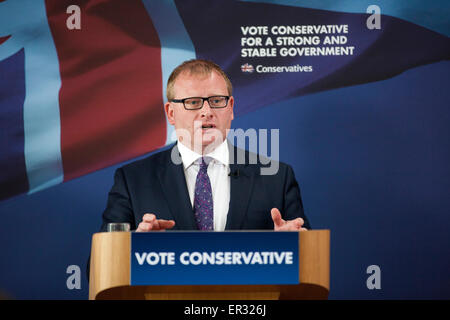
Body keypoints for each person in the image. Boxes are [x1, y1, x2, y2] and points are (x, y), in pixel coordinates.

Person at [100, 59, 310, 233]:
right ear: (171, 113)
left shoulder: (276, 178)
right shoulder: (133, 180)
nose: (207, 111)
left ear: (231, 108)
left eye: (217, 100)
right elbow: (100, 268)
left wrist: (290, 245)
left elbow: (308, 262)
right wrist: (135, 246)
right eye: (193, 102)